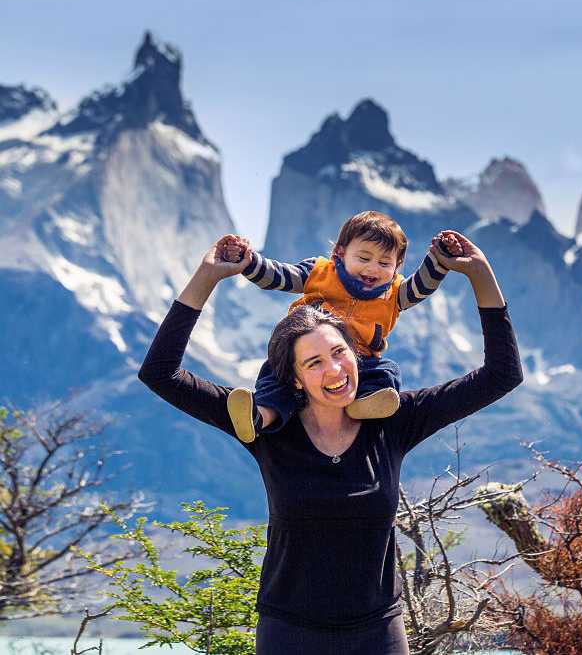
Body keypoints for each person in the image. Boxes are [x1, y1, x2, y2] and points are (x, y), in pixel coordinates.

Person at [138, 230, 522, 653]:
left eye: (340, 353)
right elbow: (160, 373)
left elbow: (501, 375)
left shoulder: (392, 419)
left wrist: (481, 275)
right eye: (314, 362)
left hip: (378, 632)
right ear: (296, 378)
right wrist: (207, 277)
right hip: (289, 632)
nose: (335, 371)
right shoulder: (264, 427)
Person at [218, 210, 464, 443]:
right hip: (301, 355)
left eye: (384, 263)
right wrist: (248, 261)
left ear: (396, 267)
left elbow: (422, 286)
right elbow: (278, 276)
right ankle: (259, 416)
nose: (372, 268)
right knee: (276, 379)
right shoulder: (320, 272)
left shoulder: (396, 293)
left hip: (358, 361)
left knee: (386, 372)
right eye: (364, 258)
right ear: (340, 253)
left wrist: (439, 259)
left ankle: (364, 403)